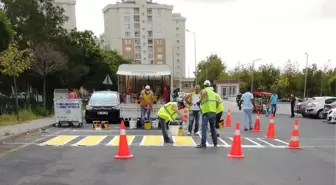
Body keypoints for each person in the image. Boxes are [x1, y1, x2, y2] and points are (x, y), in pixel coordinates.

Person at [196, 80, 219, 148]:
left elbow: (203, 93)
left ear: (204, 85)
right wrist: (214, 108)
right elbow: (217, 101)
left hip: (206, 112)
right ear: (209, 85)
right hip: (213, 112)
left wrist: (199, 101)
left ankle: (203, 143)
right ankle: (215, 143)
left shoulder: (204, 90)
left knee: (204, 128)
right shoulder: (213, 92)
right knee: (212, 128)